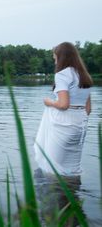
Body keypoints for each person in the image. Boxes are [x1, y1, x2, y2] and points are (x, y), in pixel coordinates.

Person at [34, 42, 93, 176]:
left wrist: (49, 102)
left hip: (64, 125)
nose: (55, 61)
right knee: (73, 169)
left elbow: (63, 105)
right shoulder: (84, 75)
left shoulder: (62, 75)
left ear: (61, 58)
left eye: (55, 58)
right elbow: (88, 109)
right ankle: (74, 195)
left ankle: (56, 195)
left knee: (53, 168)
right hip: (80, 126)